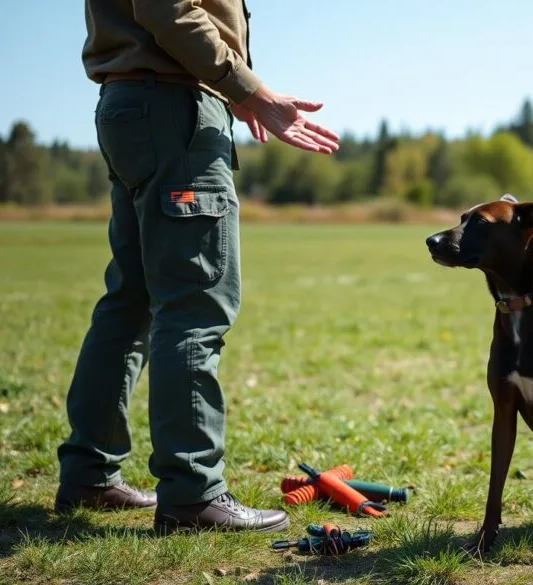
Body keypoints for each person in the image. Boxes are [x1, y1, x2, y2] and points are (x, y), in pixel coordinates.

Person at [54, 0, 339, 533]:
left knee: (131, 301)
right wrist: (245, 87)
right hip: (174, 110)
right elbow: (169, 7)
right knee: (194, 304)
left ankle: (89, 474)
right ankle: (192, 494)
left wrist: (234, 90)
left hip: (134, 103)